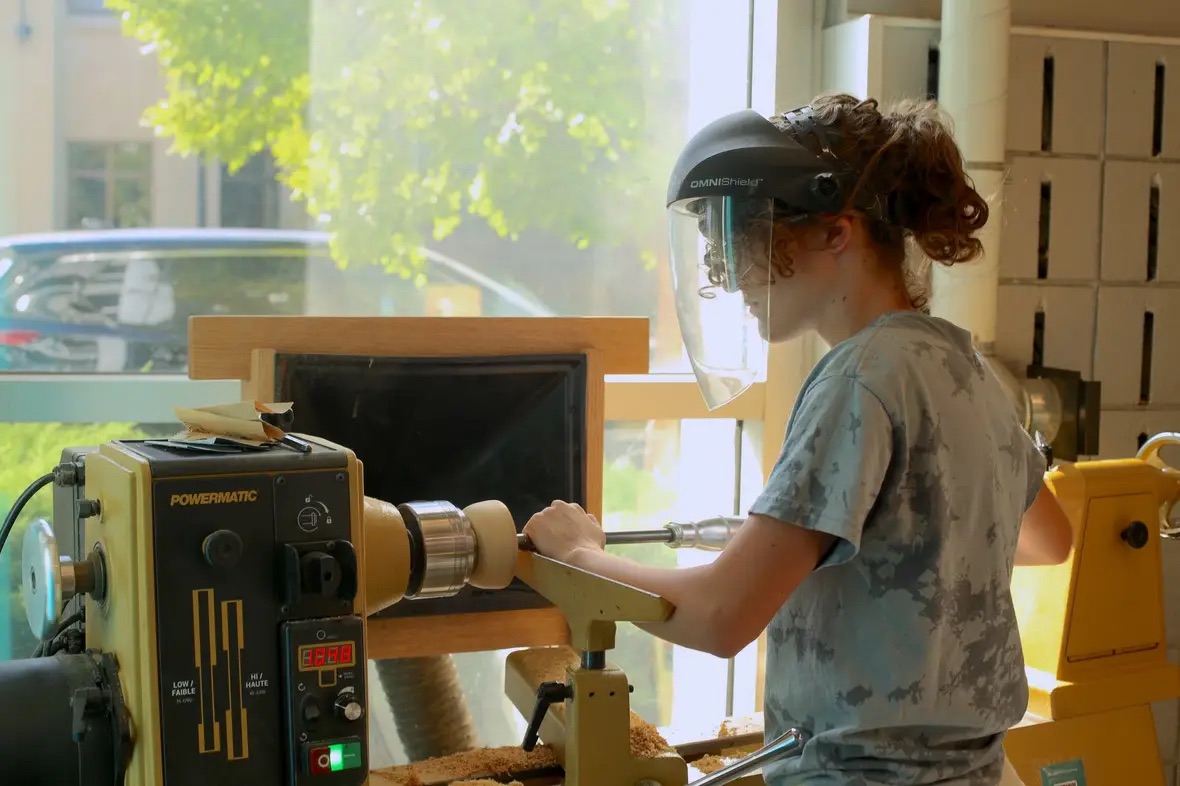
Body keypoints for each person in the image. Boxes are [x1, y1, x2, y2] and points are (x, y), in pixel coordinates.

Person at [521, 93, 1075, 786]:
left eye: (754, 234)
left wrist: (580, 555)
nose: (733, 270)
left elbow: (721, 617)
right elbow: (1049, 539)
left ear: (836, 233)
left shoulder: (858, 379)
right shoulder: (966, 368)